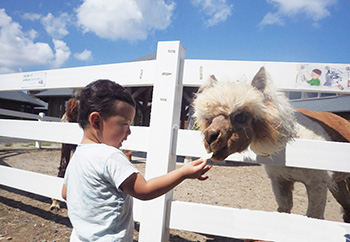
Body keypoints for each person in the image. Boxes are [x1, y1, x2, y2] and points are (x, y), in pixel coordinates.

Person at [61, 79, 212, 242]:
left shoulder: (78, 155)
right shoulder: (110, 156)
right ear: (96, 121)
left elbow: (65, 193)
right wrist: (183, 173)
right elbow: (145, 190)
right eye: (125, 124)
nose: (129, 131)